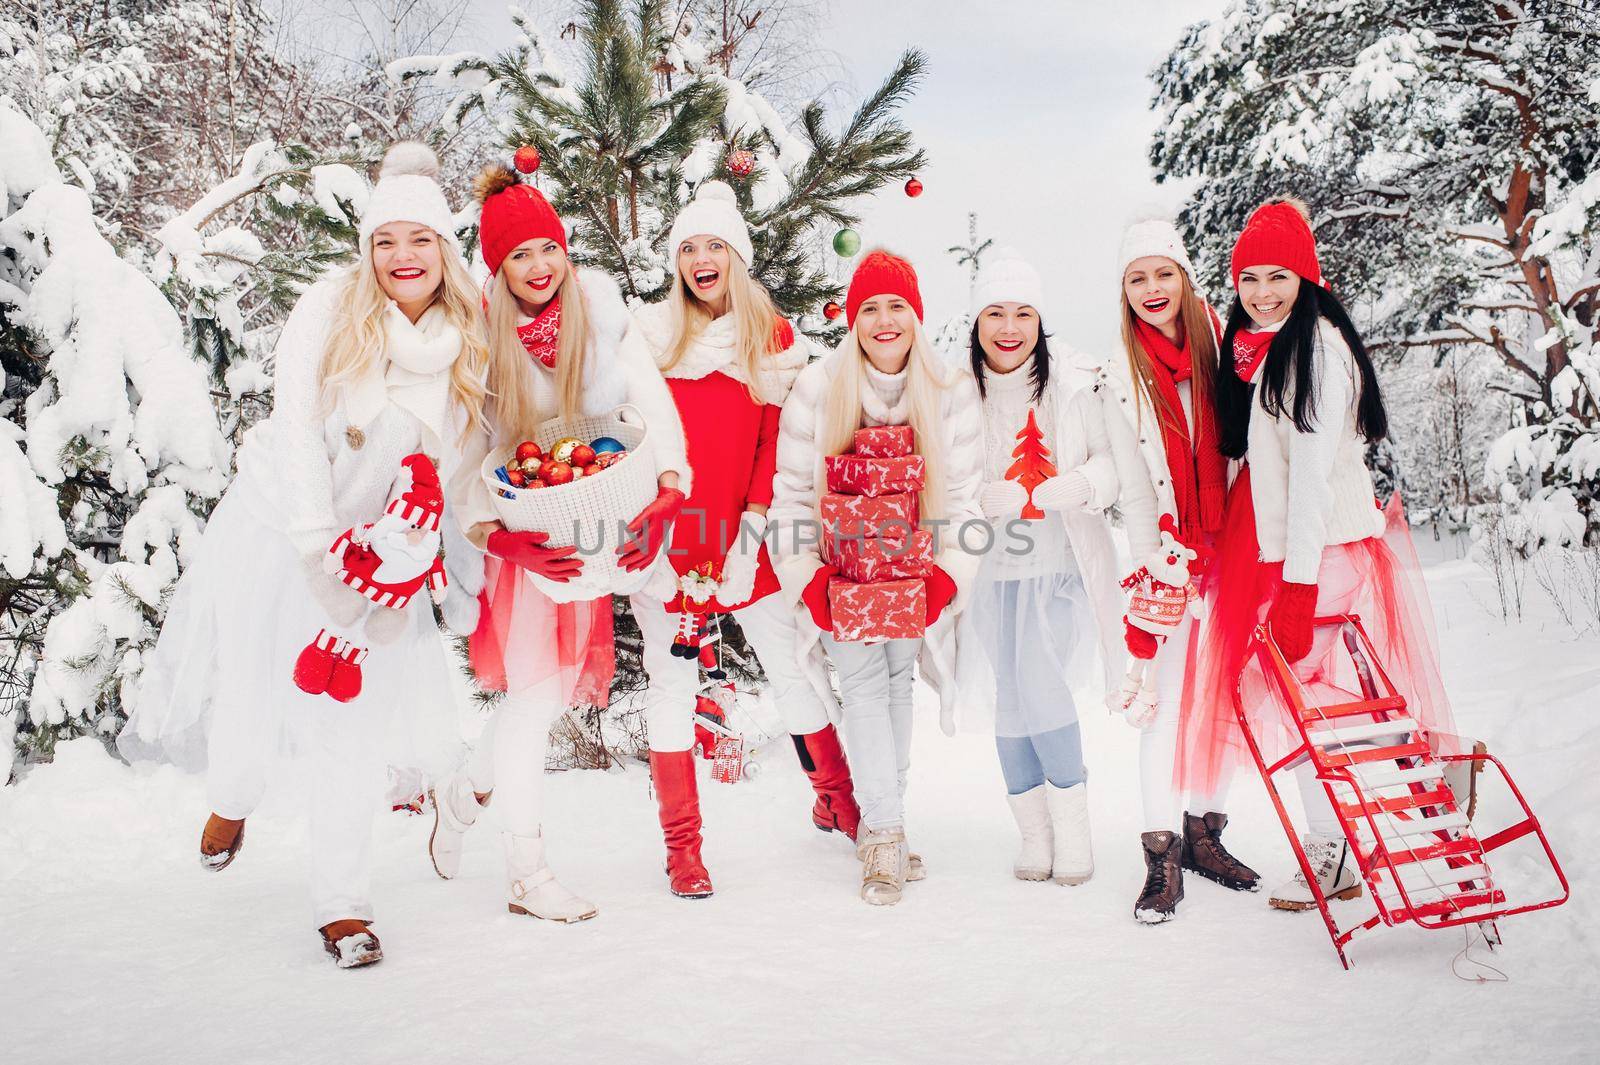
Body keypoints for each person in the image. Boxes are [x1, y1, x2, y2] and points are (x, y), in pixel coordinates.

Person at [120, 142, 489, 967]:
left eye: (420, 240)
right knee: (252, 700)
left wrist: (430, 557)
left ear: (444, 250)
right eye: (386, 240)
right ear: (367, 249)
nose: (402, 256)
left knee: (346, 726)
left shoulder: (464, 338)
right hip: (281, 529)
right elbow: (294, 429)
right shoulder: (329, 307)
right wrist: (320, 550)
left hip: (381, 555)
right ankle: (231, 798)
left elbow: (460, 465)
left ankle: (343, 906)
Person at [424, 161, 690, 919]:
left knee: (538, 694)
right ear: (497, 267)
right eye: (519, 256)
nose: (538, 267)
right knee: (537, 698)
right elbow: (463, 458)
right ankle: (527, 873)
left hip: (596, 528)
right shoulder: (478, 339)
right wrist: (498, 540)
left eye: (548, 249)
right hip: (530, 542)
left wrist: (670, 491)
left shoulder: (601, 313)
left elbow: (653, 404)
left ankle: (466, 793)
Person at [1186, 198, 1455, 911]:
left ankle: (1334, 851)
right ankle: (1349, 834)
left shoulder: (1311, 351)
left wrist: (1299, 589)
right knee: (1309, 702)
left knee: (1301, 703)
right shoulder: (1279, 346)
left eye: (1279, 276)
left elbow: (1306, 481)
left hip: (1313, 556)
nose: (1263, 292)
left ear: (1307, 279)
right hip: (1296, 553)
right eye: (1249, 279)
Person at [626, 181, 861, 898]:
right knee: (670, 684)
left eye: (714, 246)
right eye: (688, 247)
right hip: (667, 534)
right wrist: (656, 532)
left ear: (738, 255)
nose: (701, 259)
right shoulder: (650, 337)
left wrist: (751, 529)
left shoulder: (774, 339)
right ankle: (683, 849)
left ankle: (841, 802)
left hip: (746, 534)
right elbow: (633, 440)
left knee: (792, 671)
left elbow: (776, 442)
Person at [770, 249, 983, 906]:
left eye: (897, 307)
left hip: (918, 572)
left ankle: (887, 821)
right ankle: (884, 832)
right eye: (870, 308)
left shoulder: (947, 389)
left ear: (915, 316)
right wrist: (809, 581)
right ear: (852, 317)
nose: (884, 321)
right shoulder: (818, 385)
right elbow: (790, 496)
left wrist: (947, 580)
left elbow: (969, 497)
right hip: (841, 573)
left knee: (897, 685)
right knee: (862, 684)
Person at [961, 249, 1153, 891]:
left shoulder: (1074, 382)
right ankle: (1035, 833)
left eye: (1022, 314)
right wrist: (974, 501)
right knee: (1007, 700)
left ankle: (1073, 830)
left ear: (1039, 321)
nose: (1009, 328)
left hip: (1059, 565)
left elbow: (1111, 468)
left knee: (1041, 687)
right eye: (995, 313)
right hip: (989, 572)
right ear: (977, 320)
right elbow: (938, 471)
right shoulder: (957, 391)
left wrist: (1044, 494)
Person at [1103, 218, 1261, 923]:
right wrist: (1154, 567)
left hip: (1237, 547)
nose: (1152, 289)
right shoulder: (1122, 374)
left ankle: (1206, 832)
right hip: (1171, 557)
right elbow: (1136, 486)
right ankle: (1162, 854)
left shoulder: (1226, 353)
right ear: (1124, 291)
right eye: (1137, 278)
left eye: (1163, 272)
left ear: (1185, 277)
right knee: (1163, 709)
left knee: (1223, 696)